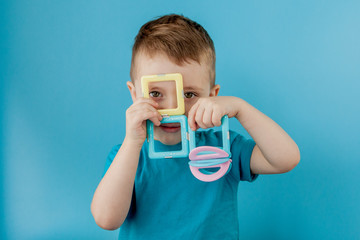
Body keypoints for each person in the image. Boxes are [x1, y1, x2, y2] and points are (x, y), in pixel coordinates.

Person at [91, 14, 300, 239]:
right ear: (134, 94)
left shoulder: (223, 147)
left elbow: (286, 159)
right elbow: (107, 220)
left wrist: (241, 108)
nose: (175, 109)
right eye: (155, 94)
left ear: (212, 96)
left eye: (189, 94)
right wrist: (132, 142)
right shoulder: (127, 156)